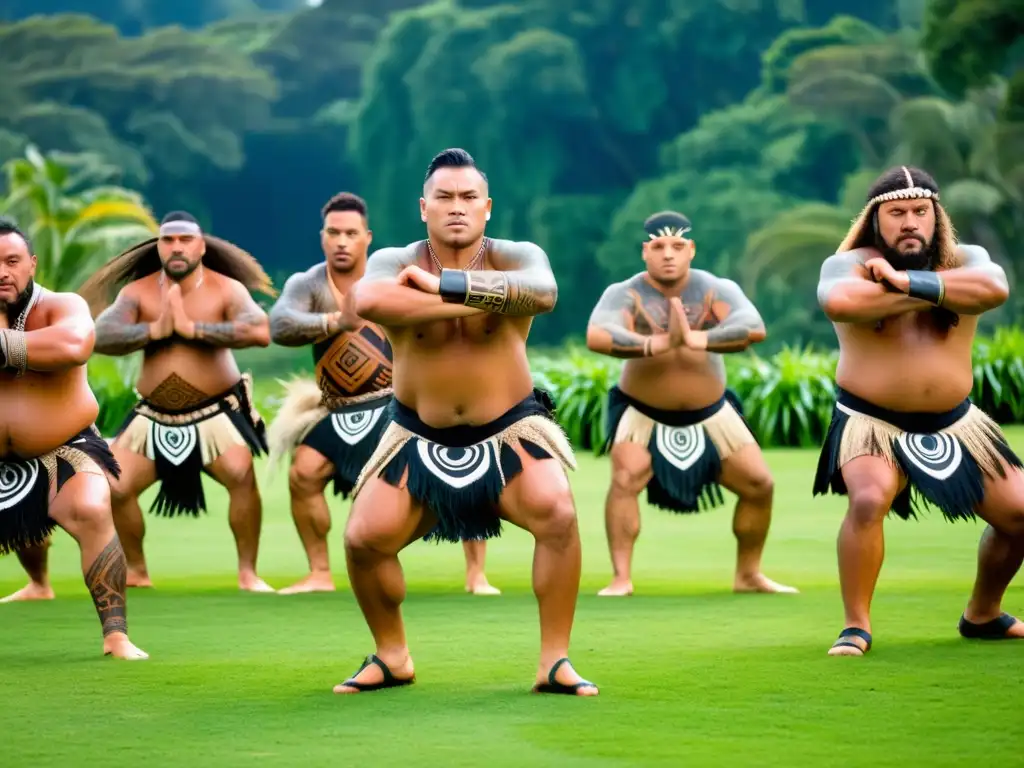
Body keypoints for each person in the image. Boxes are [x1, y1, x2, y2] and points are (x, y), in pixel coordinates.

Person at [333, 148, 597, 696]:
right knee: (364, 539)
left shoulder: (518, 253)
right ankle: (392, 654)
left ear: (488, 207)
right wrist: (480, 302)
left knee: (557, 512)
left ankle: (555, 660)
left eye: (469, 197)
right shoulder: (392, 257)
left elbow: (543, 294)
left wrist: (439, 287)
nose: (458, 207)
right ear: (423, 207)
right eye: (446, 198)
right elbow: (369, 299)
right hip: (415, 434)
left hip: (510, 429)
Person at [813, 165, 1024, 656]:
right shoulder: (845, 263)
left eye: (919, 212)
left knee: (1020, 514)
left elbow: (994, 289)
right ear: (874, 220)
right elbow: (842, 303)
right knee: (869, 499)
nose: (909, 222)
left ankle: (983, 613)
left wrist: (901, 284)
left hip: (957, 422)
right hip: (870, 420)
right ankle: (855, 625)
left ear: (936, 217)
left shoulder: (968, 258)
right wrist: (930, 290)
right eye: (896, 213)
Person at [266, 192, 499, 595]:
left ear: (366, 237)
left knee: (457, 472)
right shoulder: (308, 284)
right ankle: (319, 572)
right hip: (335, 409)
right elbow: (280, 325)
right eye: (334, 233)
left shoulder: (392, 276)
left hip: (397, 405)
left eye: (350, 233)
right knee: (303, 473)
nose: (341, 241)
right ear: (322, 237)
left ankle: (476, 572)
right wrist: (335, 321)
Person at [586, 211, 797, 597]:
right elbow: (599, 333)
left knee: (759, 484)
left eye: (678, 246)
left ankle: (748, 574)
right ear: (644, 252)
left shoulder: (715, 289)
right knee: (625, 477)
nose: (669, 254)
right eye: (659, 246)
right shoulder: (626, 292)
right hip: (642, 413)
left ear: (691, 250)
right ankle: (621, 577)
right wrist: (656, 344)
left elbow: (753, 325)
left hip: (712, 413)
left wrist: (697, 340)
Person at [77, 211, 277, 592]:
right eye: (168, 240)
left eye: (186, 240)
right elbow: (100, 335)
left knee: (240, 474)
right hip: (153, 417)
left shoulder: (226, 289)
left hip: (215, 414)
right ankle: (136, 570)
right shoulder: (137, 293)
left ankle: (248, 573)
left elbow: (259, 329)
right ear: (158, 247)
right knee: (115, 486)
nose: (177, 247)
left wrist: (193, 329)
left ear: (201, 246)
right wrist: (156, 329)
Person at [0, 218, 147, 659]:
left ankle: (116, 635)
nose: (3, 272)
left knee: (88, 506)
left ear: (32, 264)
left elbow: (74, 346)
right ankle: (38, 584)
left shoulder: (62, 305)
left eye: (12, 261)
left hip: (63, 446)